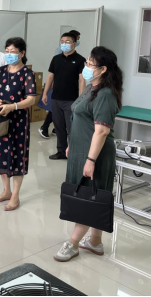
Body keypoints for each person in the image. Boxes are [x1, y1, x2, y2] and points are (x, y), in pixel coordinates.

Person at [54, 46, 123, 262]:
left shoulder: (105, 94)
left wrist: (91, 159)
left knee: (87, 197)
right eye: (87, 63)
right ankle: (95, 241)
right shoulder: (92, 88)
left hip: (95, 153)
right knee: (93, 195)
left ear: (103, 69)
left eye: (90, 64)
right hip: (81, 149)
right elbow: (81, 118)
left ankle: (73, 243)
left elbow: (101, 131)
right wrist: (72, 145)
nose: (86, 66)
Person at [0, 37, 37, 211]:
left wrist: (13, 106)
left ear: (22, 53)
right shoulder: (1, 71)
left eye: (13, 52)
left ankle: (15, 196)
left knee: (16, 156)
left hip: (18, 121)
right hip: (1, 118)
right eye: (7, 51)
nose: (9, 54)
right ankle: (6, 191)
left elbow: (31, 99)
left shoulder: (27, 74)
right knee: (1, 154)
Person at [42, 32, 86, 160]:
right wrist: (45, 93)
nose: (64, 44)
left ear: (74, 43)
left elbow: (82, 80)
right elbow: (50, 76)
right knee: (59, 127)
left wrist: (81, 99)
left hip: (71, 100)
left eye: (67, 42)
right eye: (62, 41)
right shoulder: (56, 59)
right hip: (56, 98)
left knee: (72, 128)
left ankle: (73, 153)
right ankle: (61, 151)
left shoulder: (80, 60)